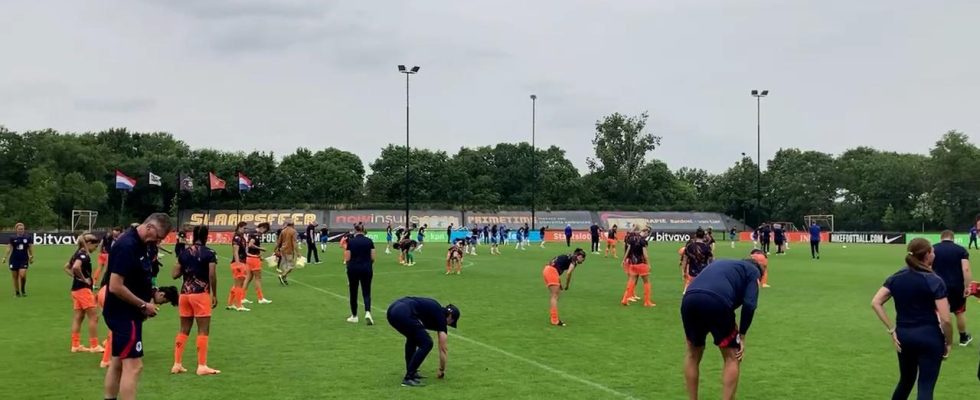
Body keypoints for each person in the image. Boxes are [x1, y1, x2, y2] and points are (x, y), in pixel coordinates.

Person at [871, 238, 954, 400]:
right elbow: (946, 319)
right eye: (933, 251)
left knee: (905, 381)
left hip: (904, 336)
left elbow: (876, 302)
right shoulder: (934, 280)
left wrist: (891, 329)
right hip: (929, 337)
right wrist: (949, 342)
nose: (934, 254)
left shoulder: (896, 277)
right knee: (925, 385)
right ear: (927, 255)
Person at [102, 213, 172, 400]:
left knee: (117, 362)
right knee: (134, 367)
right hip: (124, 315)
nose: (157, 241)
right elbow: (115, 286)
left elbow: (136, 278)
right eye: (157, 237)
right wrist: (143, 305)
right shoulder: (127, 245)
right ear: (149, 227)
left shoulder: (141, 244)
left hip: (126, 313)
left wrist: (152, 292)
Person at [681, 251, 767, 400]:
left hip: (689, 299)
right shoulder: (753, 272)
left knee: (692, 353)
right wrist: (742, 335)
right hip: (717, 302)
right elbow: (750, 304)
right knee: (732, 356)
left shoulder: (722, 264)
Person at [170, 225, 220, 376]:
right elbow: (212, 275)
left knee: (184, 329)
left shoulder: (184, 253)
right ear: (206, 236)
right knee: (203, 330)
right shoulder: (210, 253)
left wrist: (185, 266)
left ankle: (177, 364)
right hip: (200, 294)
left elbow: (174, 274)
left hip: (185, 294)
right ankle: (202, 366)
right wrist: (214, 294)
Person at [386, 297, 460, 387]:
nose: (448, 324)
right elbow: (443, 348)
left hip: (392, 310)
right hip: (403, 313)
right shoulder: (441, 318)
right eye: (451, 322)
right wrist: (442, 369)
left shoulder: (435, 309)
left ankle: (411, 372)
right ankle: (408, 378)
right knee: (427, 343)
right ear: (450, 316)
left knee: (413, 338)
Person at [64, 232, 105, 353]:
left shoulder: (77, 252)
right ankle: (94, 345)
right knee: (94, 317)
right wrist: (83, 279)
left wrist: (76, 278)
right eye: (95, 246)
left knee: (78, 317)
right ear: (88, 243)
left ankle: (75, 345)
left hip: (76, 289)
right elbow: (76, 267)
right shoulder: (83, 255)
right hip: (83, 290)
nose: (95, 249)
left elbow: (66, 267)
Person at [932, 230, 973, 346]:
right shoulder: (961, 250)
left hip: (938, 286)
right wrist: (967, 286)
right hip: (956, 286)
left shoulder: (933, 249)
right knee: (959, 312)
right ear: (953, 238)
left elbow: (928, 267)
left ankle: (943, 338)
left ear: (941, 238)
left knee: (940, 312)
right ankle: (963, 337)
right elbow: (965, 269)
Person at [542, 249, 587, 326]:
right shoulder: (574, 259)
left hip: (547, 270)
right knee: (554, 296)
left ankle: (553, 316)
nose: (582, 262)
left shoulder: (568, 256)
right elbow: (569, 273)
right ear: (579, 256)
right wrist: (567, 284)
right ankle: (554, 320)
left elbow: (557, 265)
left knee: (556, 295)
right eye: (583, 259)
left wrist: (559, 281)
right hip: (551, 271)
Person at [345, 224, 375, 324]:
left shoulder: (351, 241)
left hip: (353, 268)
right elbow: (373, 257)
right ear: (363, 230)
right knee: (366, 291)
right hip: (366, 268)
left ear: (355, 230)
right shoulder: (369, 241)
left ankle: (354, 315)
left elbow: (347, 258)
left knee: (353, 292)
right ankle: (367, 312)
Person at [621, 228, 654, 307]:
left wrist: (624, 260)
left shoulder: (632, 239)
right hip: (641, 264)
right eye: (647, 233)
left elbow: (628, 250)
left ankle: (625, 299)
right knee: (646, 282)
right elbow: (645, 254)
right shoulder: (643, 241)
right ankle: (647, 301)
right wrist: (648, 264)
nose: (647, 235)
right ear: (645, 232)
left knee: (631, 281)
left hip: (633, 263)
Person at [243, 222, 271, 305]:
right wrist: (260, 248)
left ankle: (242, 297)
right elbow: (251, 245)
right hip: (254, 259)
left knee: (248, 278)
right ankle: (260, 298)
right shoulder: (256, 234)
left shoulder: (252, 232)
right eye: (265, 230)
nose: (264, 233)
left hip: (249, 258)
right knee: (258, 278)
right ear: (263, 227)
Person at [3, 222, 33, 297]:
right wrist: (5, 257)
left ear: (24, 229)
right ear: (16, 229)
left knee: (22, 275)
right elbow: (9, 248)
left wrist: (31, 256)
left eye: (22, 229)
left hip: (24, 259)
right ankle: (17, 292)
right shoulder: (12, 238)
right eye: (19, 229)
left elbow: (30, 247)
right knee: (15, 276)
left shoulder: (28, 237)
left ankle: (22, 289)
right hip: (14, 259)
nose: (21, 230)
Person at [226, 222, 249, 311]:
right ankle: (239, 305)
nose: (245, 230)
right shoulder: (237, 238)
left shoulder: (241, 237)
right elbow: (235, 251)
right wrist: (238, 264)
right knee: (239, 285)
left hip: (242, 262)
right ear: (239, 227)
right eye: (244, 228)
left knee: (237, 284)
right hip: (239, 263)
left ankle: (230, 304)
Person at [683, 229, 714, 294]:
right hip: (704, 273)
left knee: (692, 291)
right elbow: (711, 260)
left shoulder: (689, 246)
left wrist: (684, 271)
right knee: (703, 292)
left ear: (695, 235)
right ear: (703, 236)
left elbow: (685, 260)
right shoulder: (707, 247)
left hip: (692, 273)